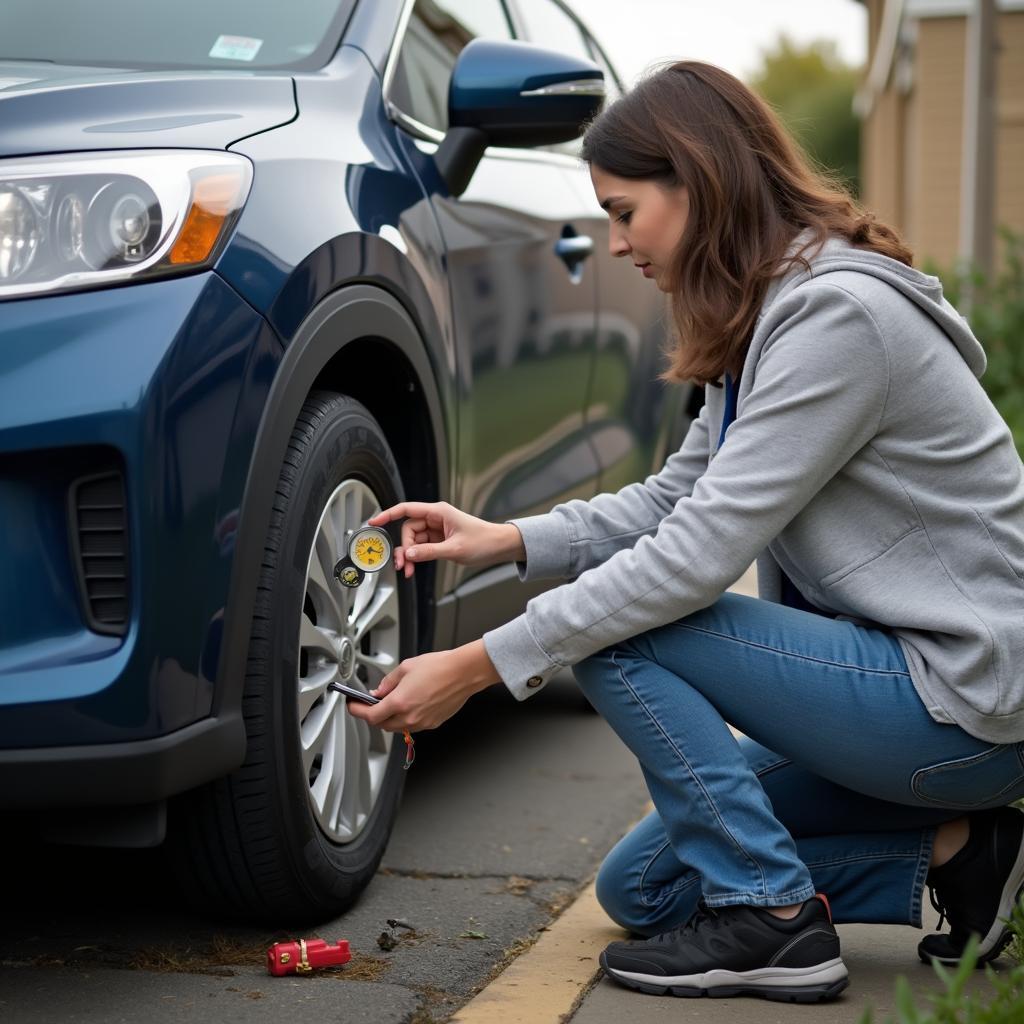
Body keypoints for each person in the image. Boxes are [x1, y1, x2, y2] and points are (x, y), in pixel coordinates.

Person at [346, 61, 1024, 1003]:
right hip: (900, 692)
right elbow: (677, 500)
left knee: (616, 628)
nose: (615, 242)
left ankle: (777, 922)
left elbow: (696, 557)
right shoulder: (770, 314)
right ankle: (966, 853)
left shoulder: (836, 317)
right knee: (647, 887)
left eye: (625, 212)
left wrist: (474, 668)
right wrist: (505, 539)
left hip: (963, 700)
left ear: (698, 182)